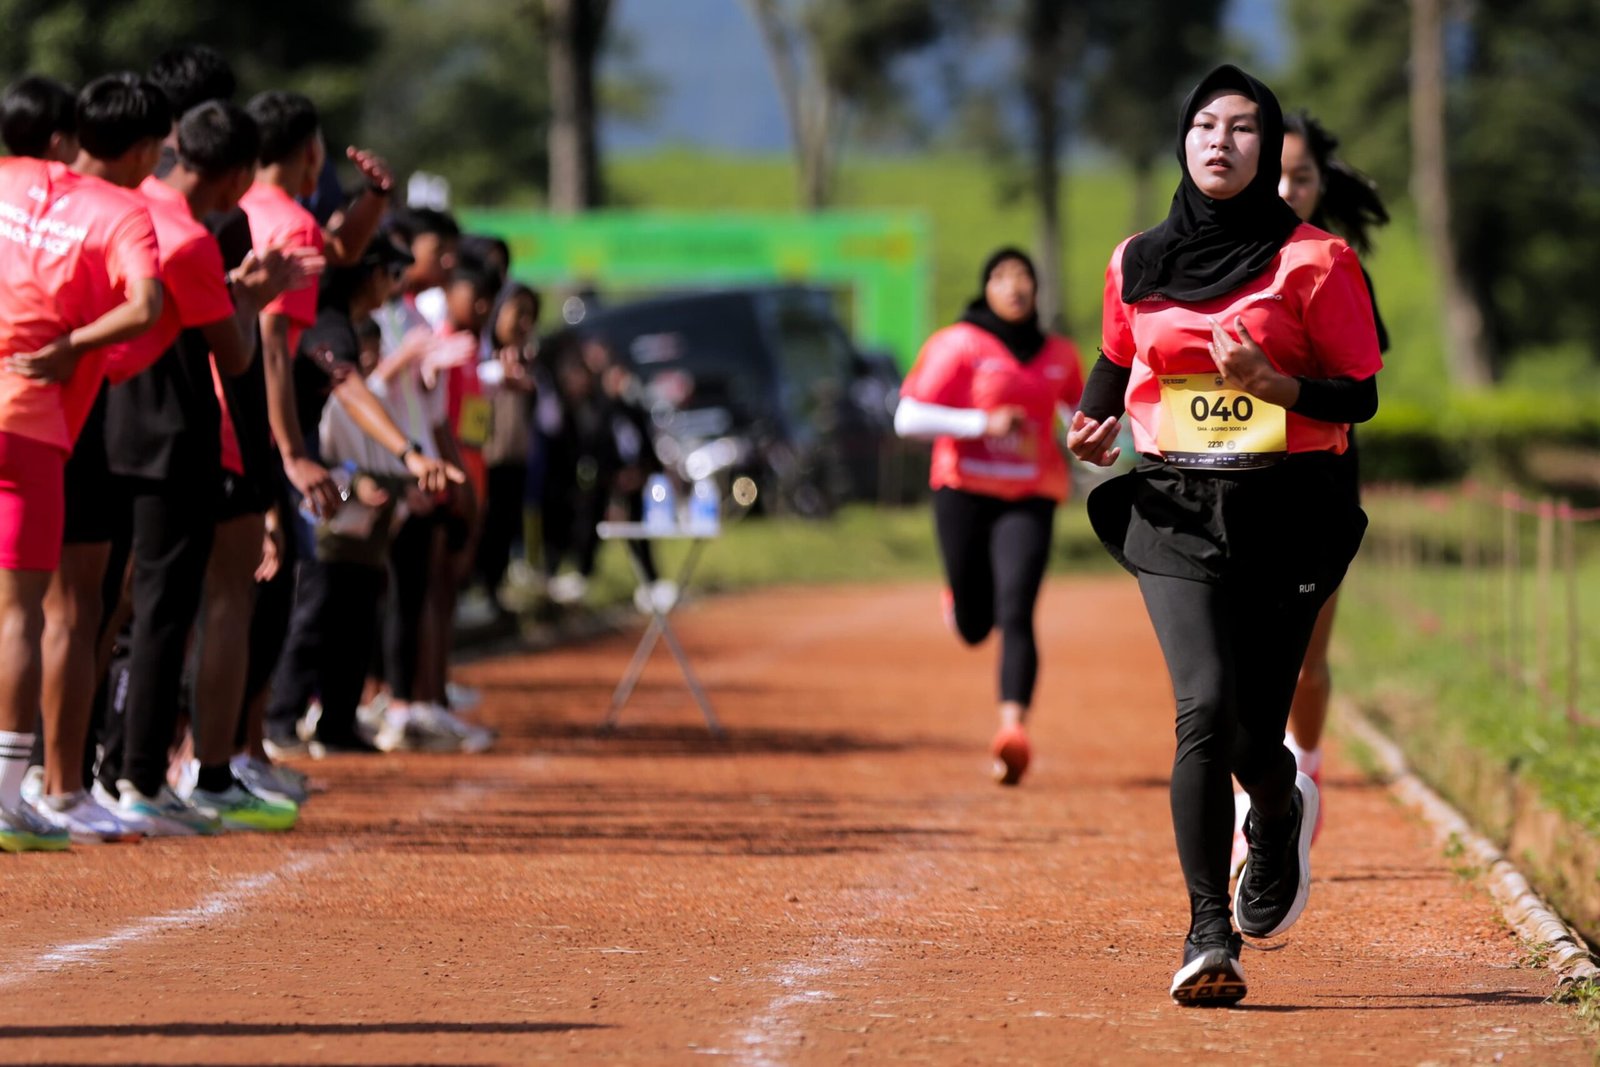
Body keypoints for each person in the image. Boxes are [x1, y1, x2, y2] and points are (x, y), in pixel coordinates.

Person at [1067, 65, 1382, 1006]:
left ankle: (1277, 801)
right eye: (1204, 123)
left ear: (1267, 144)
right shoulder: (1137, 259)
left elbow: (1359, 393)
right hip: (1172, 507)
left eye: (1243, 128)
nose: (1220, 141)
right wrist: (1093, 428)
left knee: (1252, 729)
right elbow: (1115, 360)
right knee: (1202, 708)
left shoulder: (1316, 262)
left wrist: (1273, 384)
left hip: (1285, 510)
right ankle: (1210, 931)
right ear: (1182, 140)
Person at [0, 76, 164, 851]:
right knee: (28, 615)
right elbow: (148, 306)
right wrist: (74, 345)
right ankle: (18, 791)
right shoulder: (113, 210)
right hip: (34, 423)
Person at [893, 247, 1085, 787]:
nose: (1015, 286)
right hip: (964, 490)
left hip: (1031, 494)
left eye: (1024, 276)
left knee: (1017, 608)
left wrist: (1099, 434)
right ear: (986, 289)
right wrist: (982, 422)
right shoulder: (958, 343)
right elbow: (907, 417)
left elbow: (1082, 415)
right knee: (978, 626)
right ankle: (960, 602)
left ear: (1036, 291)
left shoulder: (1059, 354)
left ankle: (1012, 730)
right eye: (1002, 277)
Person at [1275, 109, 1391, 835]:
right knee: (1233, 663)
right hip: (1230, 473)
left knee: (1305, 661)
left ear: (1321, 183)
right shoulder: (1206, 260)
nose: (1287, 189)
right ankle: (1258, 804)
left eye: (1303, 176)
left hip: (1321, 474)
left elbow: (1362, 381)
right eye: (1275, 174)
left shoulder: (1337, 265)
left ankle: (1306, 763)